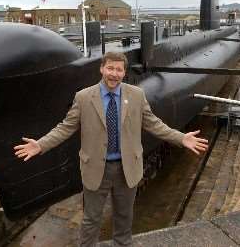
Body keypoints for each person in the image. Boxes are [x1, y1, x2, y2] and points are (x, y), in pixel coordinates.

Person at [14, 51, 208, 247]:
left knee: (124, 218)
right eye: (110, 68)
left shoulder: (136, 95)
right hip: (96, 168)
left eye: (118, 69)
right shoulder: (83, 98)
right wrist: (41, 144)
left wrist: (180, 137)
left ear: (124, 72)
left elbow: (154, 124)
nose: (114, 74)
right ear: (101, 69)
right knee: (91, 220)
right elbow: (66, 127)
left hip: (127, 168)